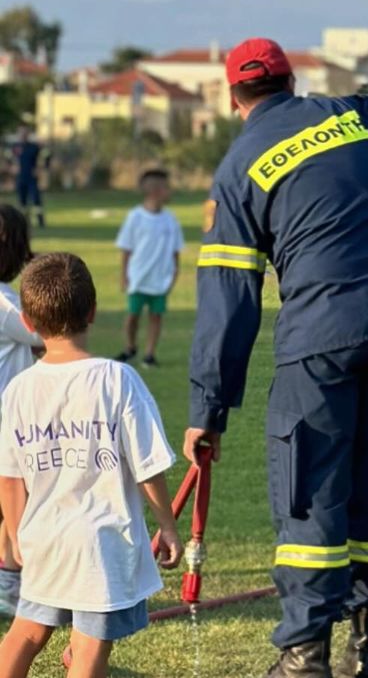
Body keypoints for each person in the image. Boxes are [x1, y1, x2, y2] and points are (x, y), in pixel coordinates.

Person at [185, 38, 368, 677]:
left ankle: (304, 658)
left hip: (321, 338)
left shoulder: (240, 166)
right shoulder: (344, 114)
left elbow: (230, 303)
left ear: (231, 96)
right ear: (291, 81)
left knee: (310, 492)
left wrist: (208, 410)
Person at [0, 252, 182, 678]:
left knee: (25, 635)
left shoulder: (18, 390)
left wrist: (15, 535)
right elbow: (148, 466)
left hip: (42, 537)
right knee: (88, 650)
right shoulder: (118, 380)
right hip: (103, 545)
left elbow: (9, 476)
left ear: (27, 322)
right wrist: (168, 525)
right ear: (93, 311)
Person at [0, 206, 39, 616]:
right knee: (15, 499)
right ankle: (10, 581)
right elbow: (51, 332)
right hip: (8, 421)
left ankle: (8, 580)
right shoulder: (7, 305)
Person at [115, 169, 184, 368]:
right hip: (138, 277)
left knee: (156, 316)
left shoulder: (171, 220)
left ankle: (150, 354)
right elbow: (126, 249)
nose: (170, 191)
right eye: (166, 188)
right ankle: (130, 347)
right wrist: (124, 275)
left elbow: (176, 251)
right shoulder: (135, 217)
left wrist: (174, 274)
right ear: (155, 191)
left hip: (160, 279)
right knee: (133, 315)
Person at [11, 129, 48, 229]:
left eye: (25, 134)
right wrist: (12, 167)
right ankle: (24, 222)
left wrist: (40, 168)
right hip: (21, 177)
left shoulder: (34, 146)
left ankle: (41, 222)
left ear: (28, 135)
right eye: (21, 134)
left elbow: (45, 156)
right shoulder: (16, 147)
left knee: (36, 199)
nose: (23, 136)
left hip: (32, 178)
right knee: (22, 202)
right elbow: (10, 159)